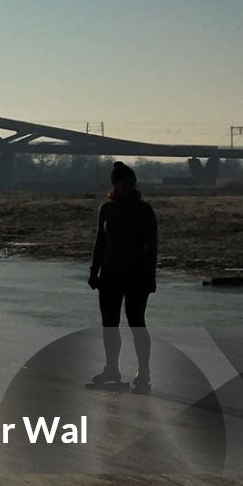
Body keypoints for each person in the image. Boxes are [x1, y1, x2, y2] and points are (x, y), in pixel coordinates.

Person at [88, 160, 158, 392]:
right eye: (122, 182)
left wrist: (150, 277)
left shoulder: (144, 210)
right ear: (115, 184)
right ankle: (112, 369)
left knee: (136, 323)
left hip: (136, 275)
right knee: (110, 324)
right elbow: (100, 242)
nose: (127, 186)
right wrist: (93, 271)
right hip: (109, 274)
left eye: (130, 182)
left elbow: (152, 247)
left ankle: (144, 373)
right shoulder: (107, 209)